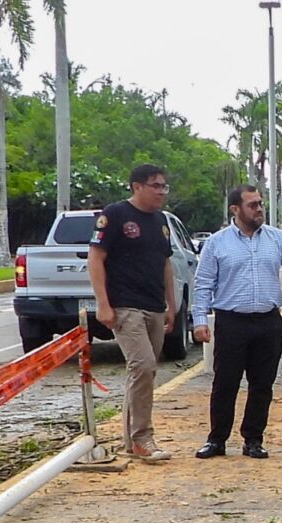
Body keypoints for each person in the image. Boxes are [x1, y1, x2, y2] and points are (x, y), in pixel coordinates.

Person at [191, 185, 282, 459]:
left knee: (262, 384)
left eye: (260, 204)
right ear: (236, 209)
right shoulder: (217, 243)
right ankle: (217, 440)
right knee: (225, 383)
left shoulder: (275, 239)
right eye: (252, 205)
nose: (259, 209)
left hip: (267, 323)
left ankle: (253, 440)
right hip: (231, 323)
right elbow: (203, 284)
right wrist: (200, 321)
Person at [88, 164, 176, 463]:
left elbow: (166, 264)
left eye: (164, 186)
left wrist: (170, 304)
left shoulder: (161, 220)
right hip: (125, 305)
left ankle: (131, 440)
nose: (161, 191)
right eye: (156, 185)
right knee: (143, 366)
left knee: (142, 372)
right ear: (136, 187)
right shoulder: (115, 215)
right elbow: (96, 258)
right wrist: (103, 303)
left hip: (154, 305)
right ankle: (142, 437)